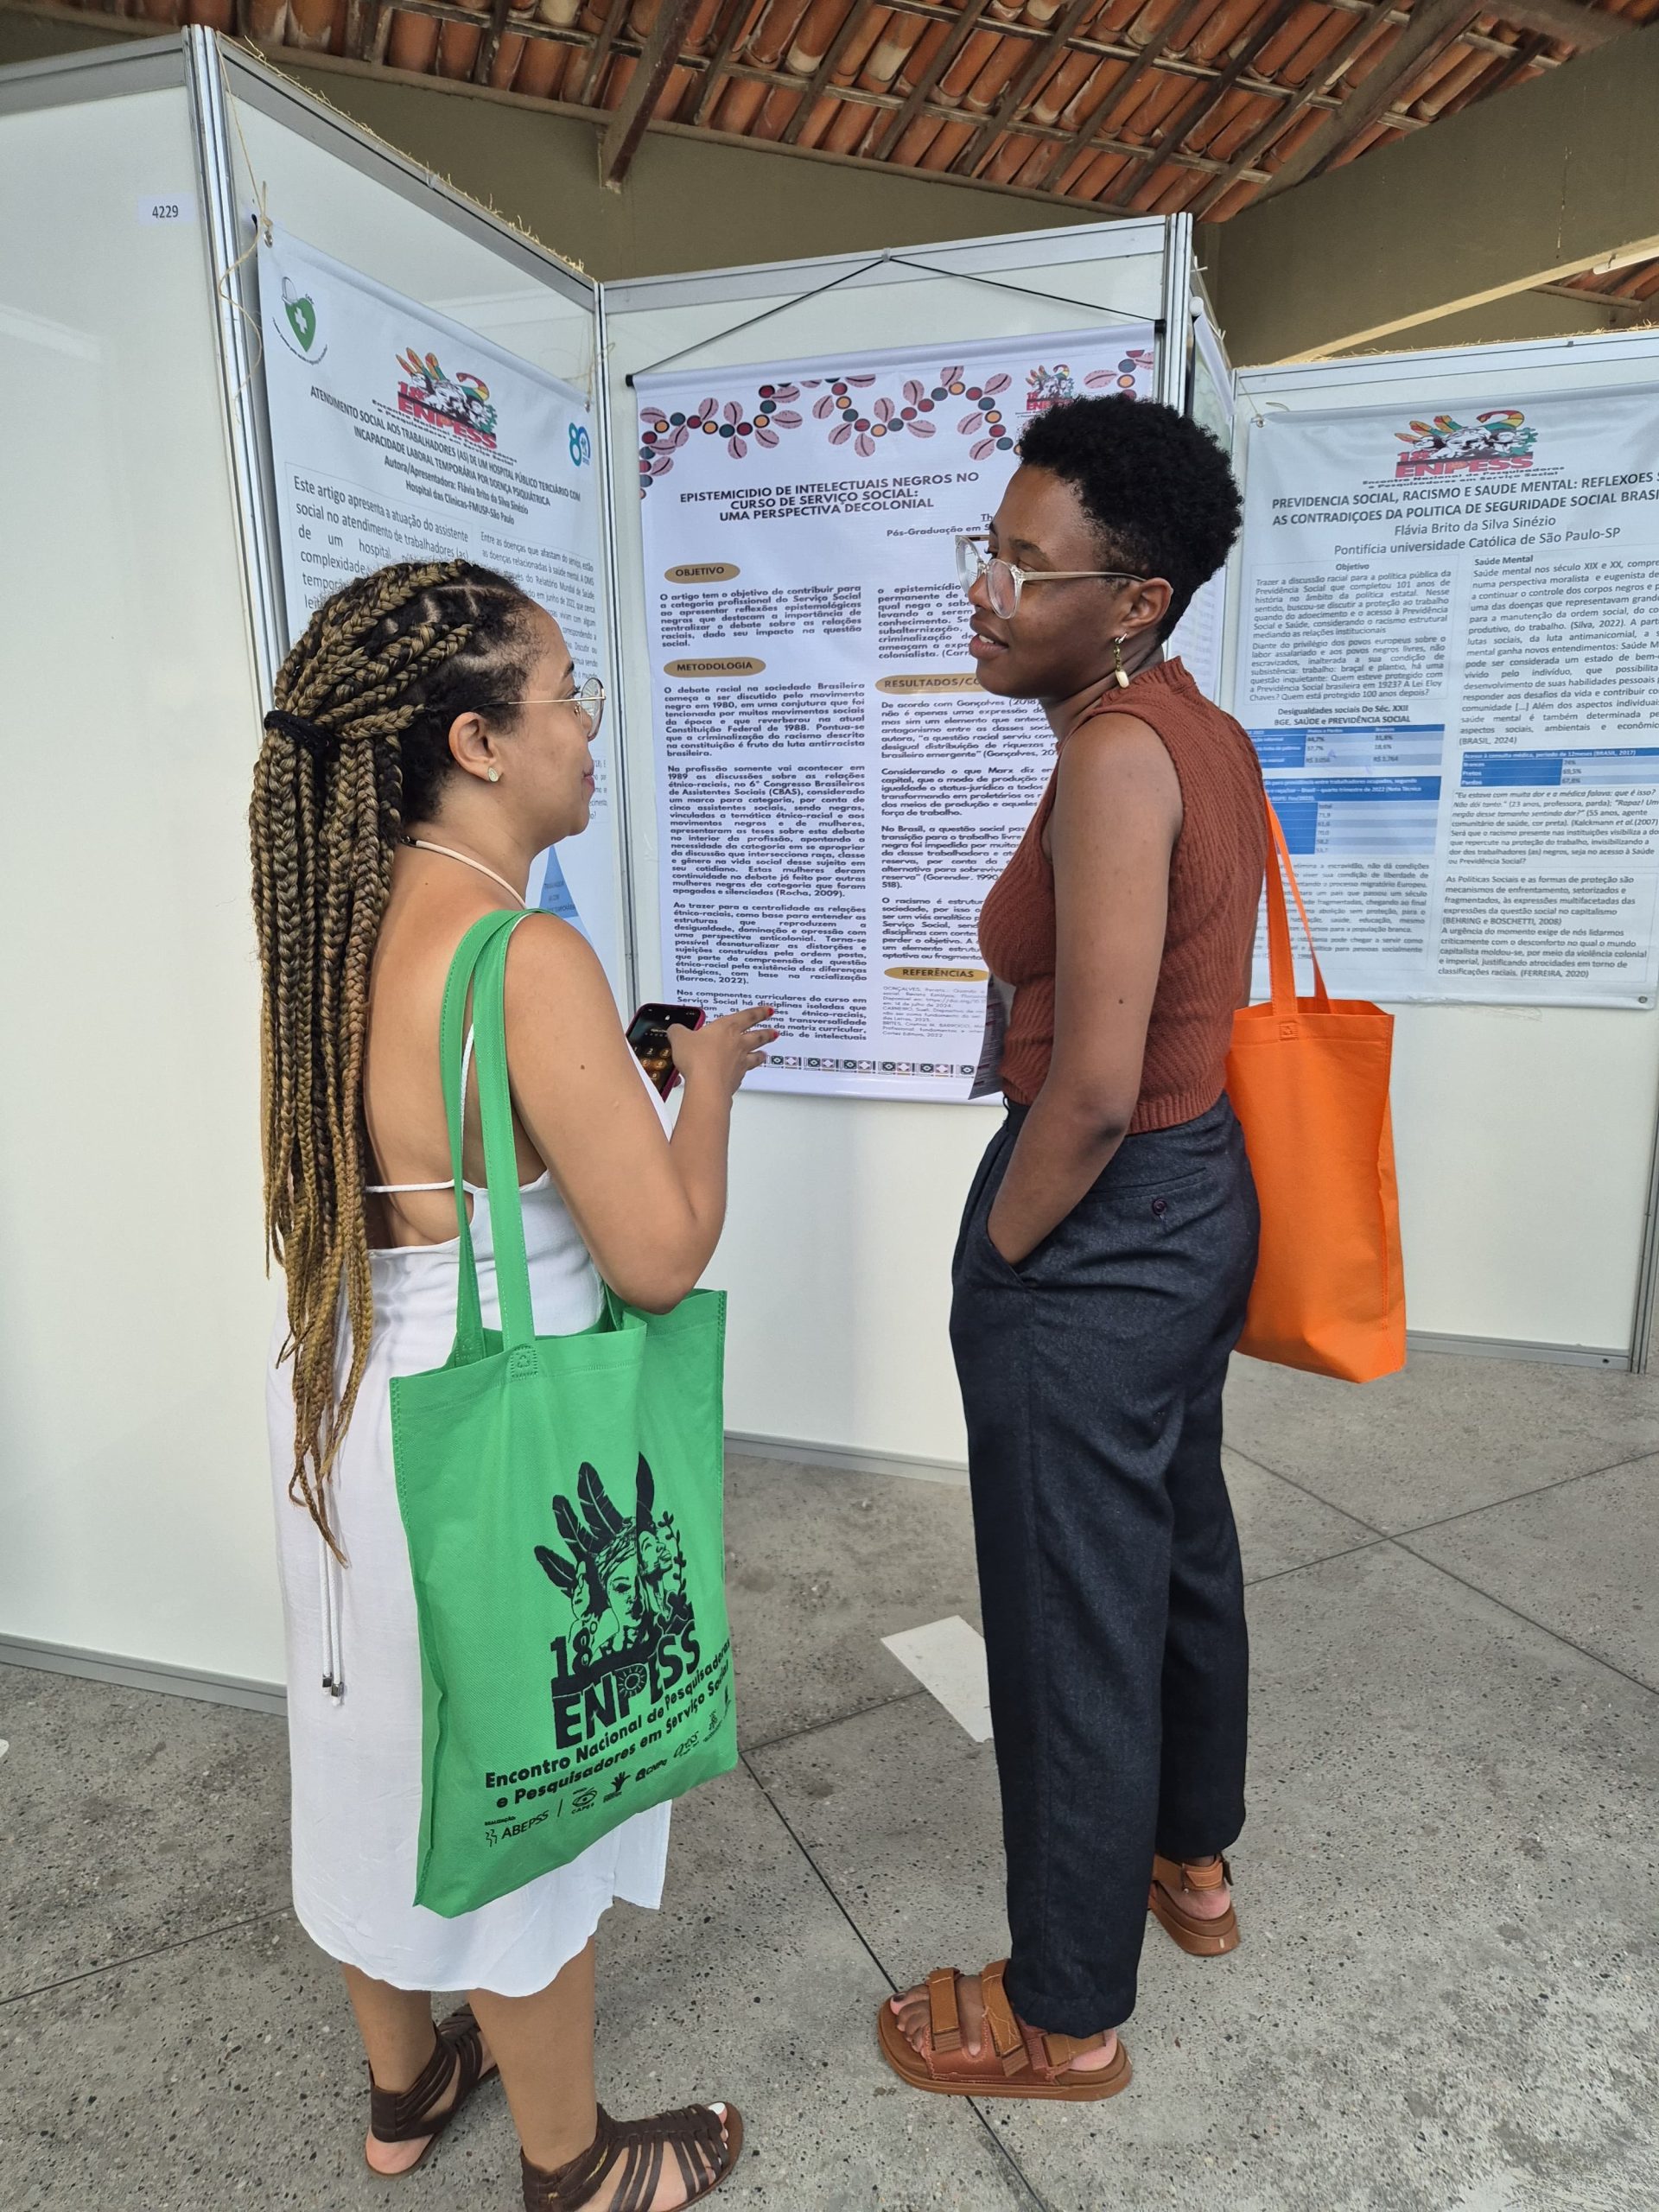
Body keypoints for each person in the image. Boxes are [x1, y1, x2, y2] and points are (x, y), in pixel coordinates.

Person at [251, 559, 772, 2209]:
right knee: (523, 1779)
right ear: (478, 741)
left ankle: (405, 2088)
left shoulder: (333, 921)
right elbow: (658, 1256)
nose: (587, 729)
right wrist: (706, 1085)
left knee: (375, 1756)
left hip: (355, 1408)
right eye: (566, 696)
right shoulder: (522, 954)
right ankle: (576, 2162)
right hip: (495, 1441)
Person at [879, 397, 1265, 2102]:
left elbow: (1094, 1088)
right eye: (990, 550)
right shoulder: (1192, 725)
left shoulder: (1115, 757)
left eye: (1028, 568)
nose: (986, 590)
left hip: (1102, 1225)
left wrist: (1009, 1250)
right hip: (1197, 1193)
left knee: (1066, 1622)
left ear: (1134, 601)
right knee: (1175, 1541)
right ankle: (1192, 1862)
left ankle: (1063, 2011)